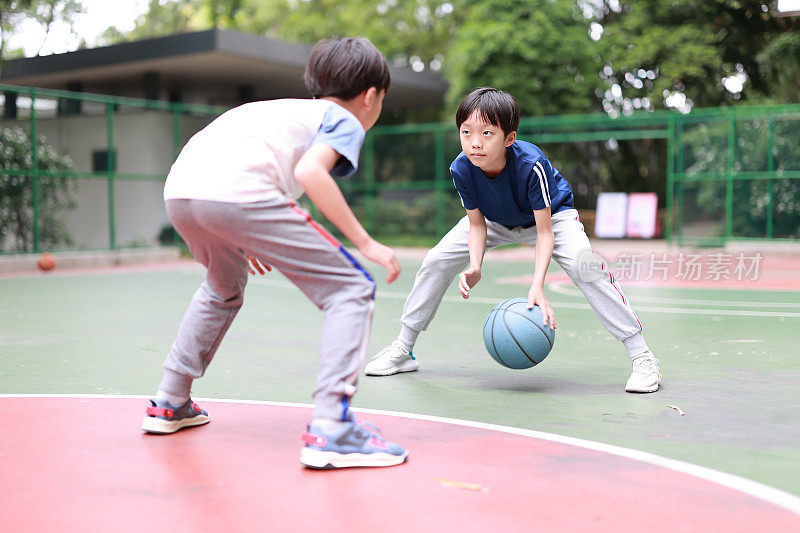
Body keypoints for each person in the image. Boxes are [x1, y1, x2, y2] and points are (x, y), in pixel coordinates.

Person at [140, 37, 409, 469]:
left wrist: (248, 231)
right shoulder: (343, 118)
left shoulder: (281, 111)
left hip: (181, 192)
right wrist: (365, 241)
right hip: (239, 195)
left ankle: (170, 401)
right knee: (351, 288)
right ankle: (332, 429)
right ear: (371, 96)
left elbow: (267, 168)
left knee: (222, 287)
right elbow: (309, 172)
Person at [365, 87, 661, 393]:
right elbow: (476, 226)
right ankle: (403, 349)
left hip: (550, 218)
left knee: (589, 268)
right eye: (466, 132)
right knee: (437, 260)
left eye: (487, 133)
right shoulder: (461, 168)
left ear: (509, 138)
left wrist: (537, 285)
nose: (475, 142)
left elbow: (544, 232)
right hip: (495, 221)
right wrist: (475, 265)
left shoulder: (530, 165)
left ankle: (642, 357)